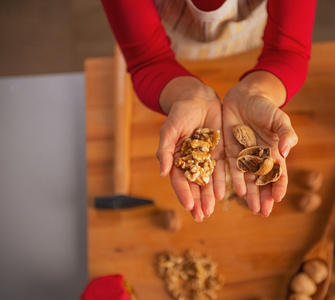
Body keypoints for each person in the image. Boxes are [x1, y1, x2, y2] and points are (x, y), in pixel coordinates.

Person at [100, 0, 317, 222]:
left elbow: (287, 49)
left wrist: (258, 92)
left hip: (247, 34)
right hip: (175, 37)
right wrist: (186, 95)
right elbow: (147, 58)